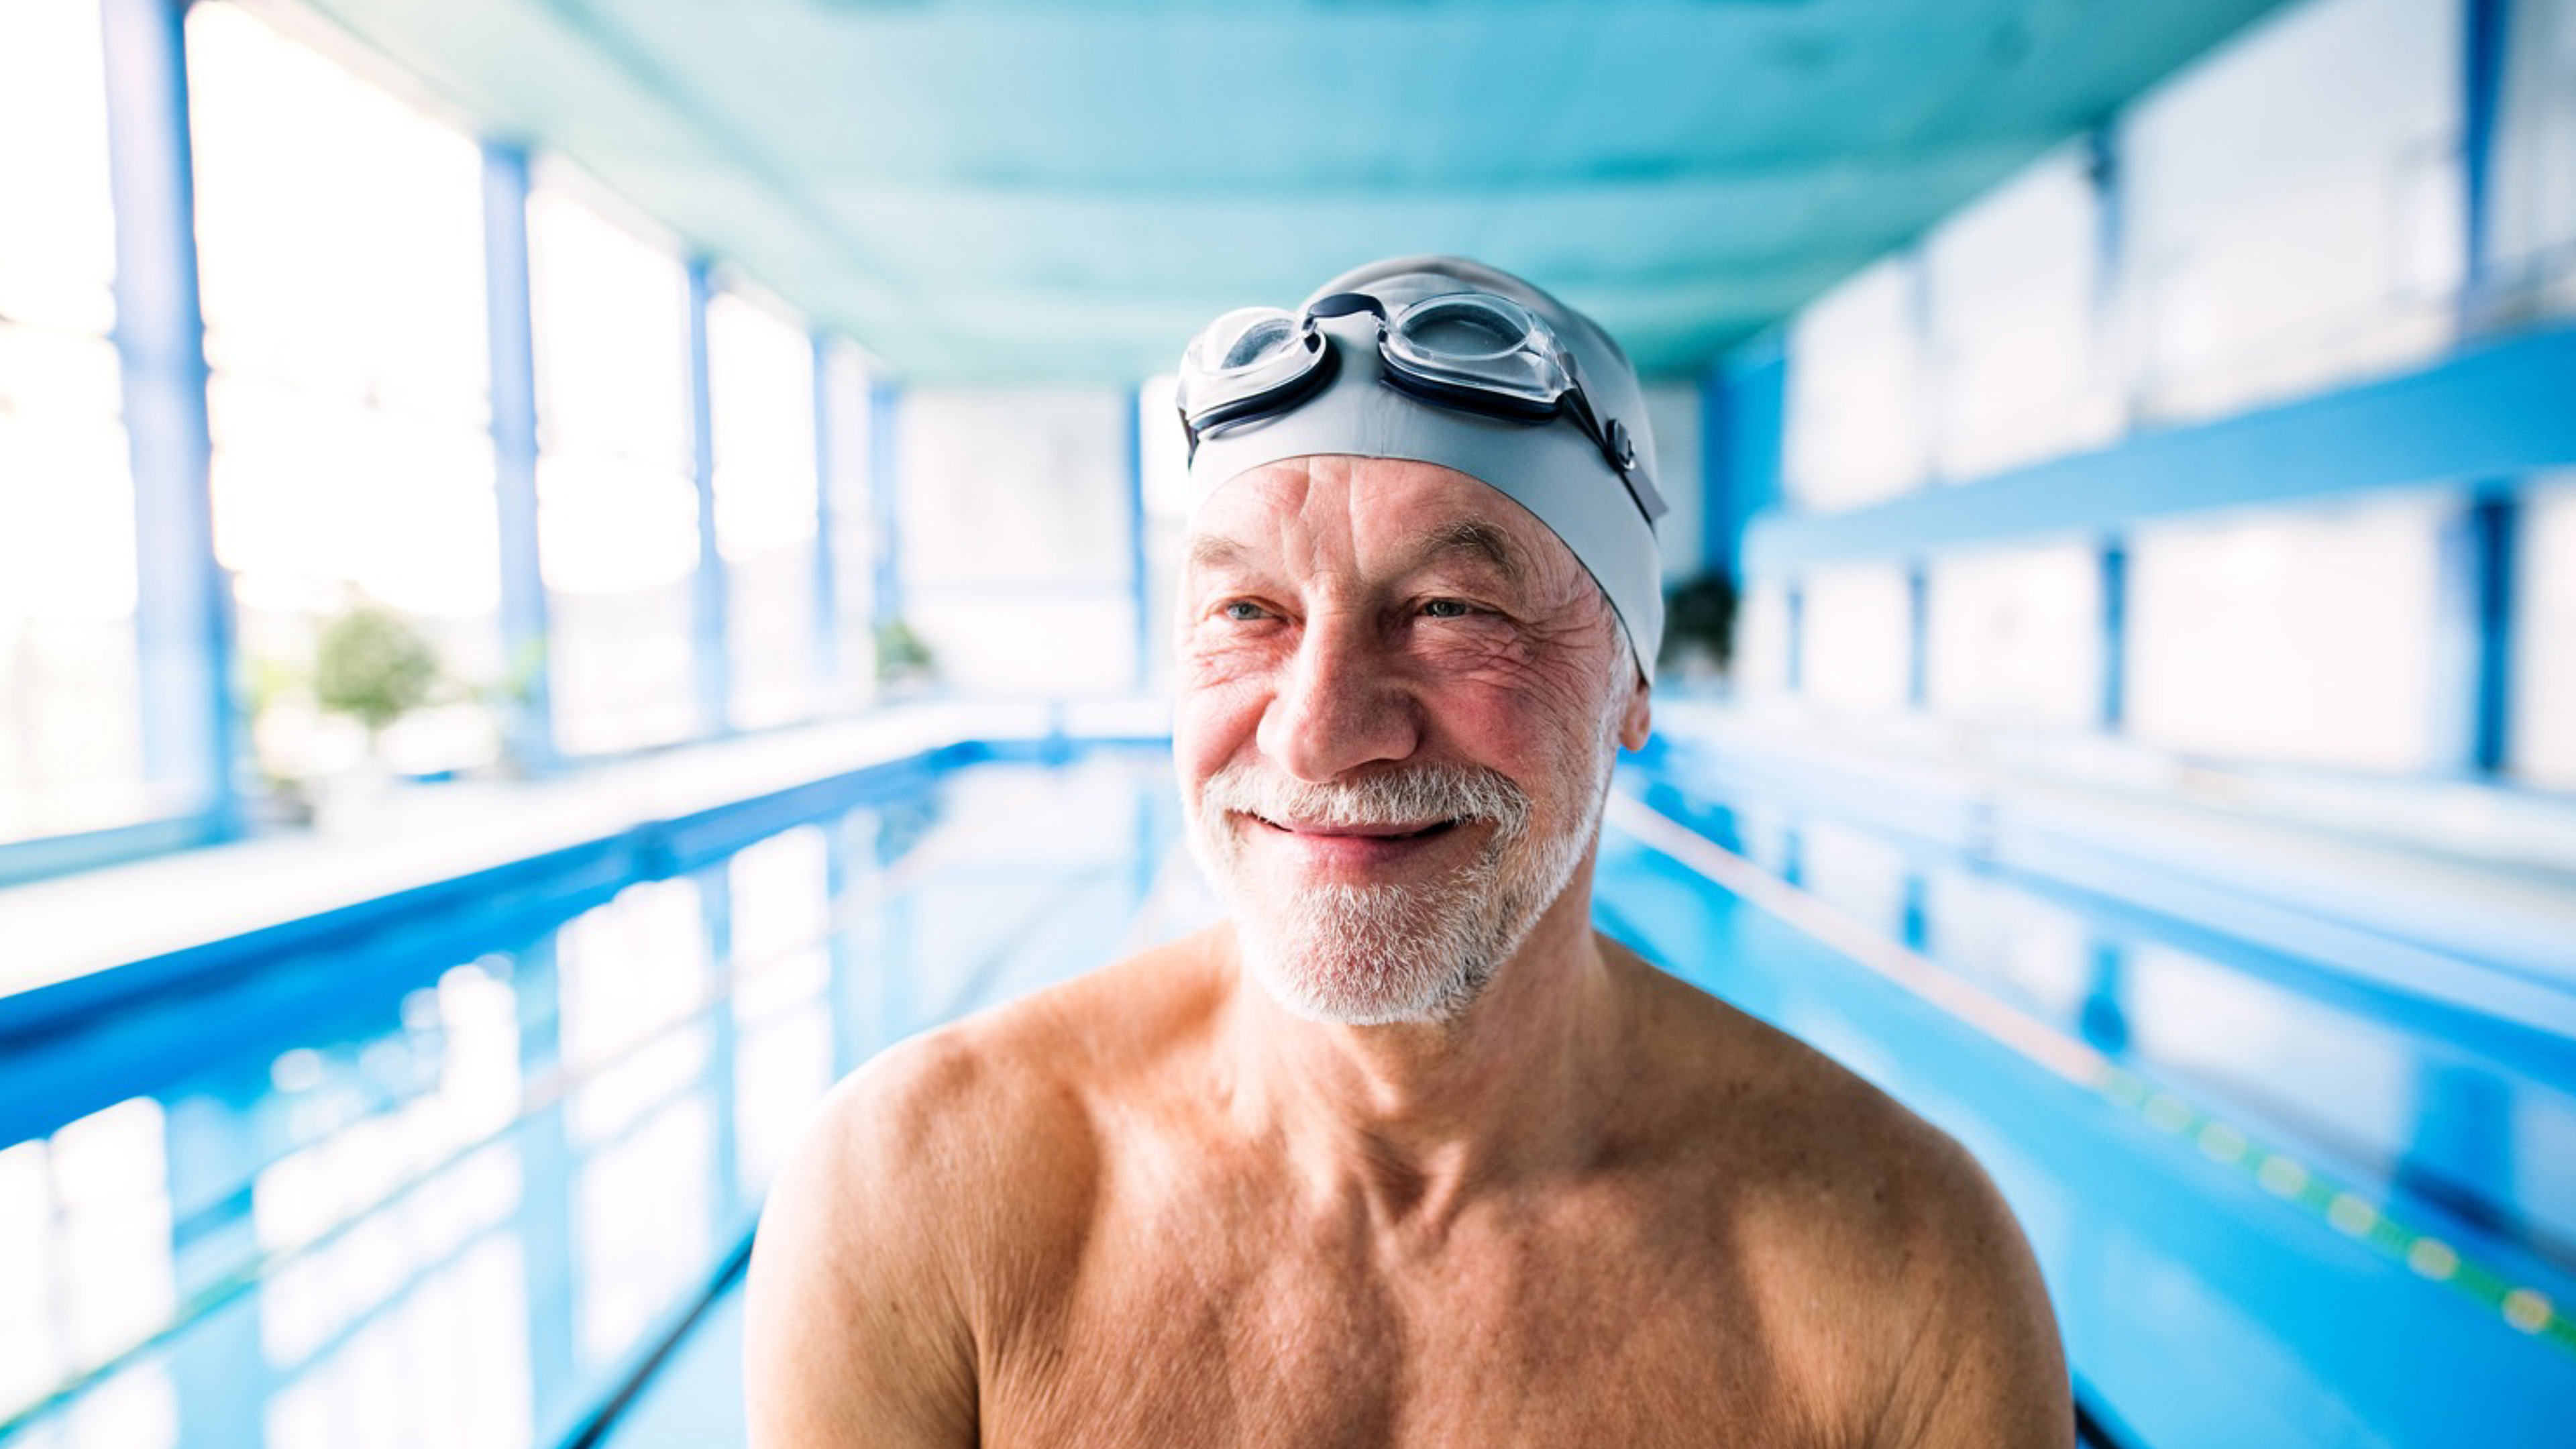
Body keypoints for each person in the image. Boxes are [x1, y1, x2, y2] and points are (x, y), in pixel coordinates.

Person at [743, 256, 2071, 1447]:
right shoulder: (919, 1194)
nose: (1318, 734)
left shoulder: (1904, 1270)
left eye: (1449, 609)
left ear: (1633, 684)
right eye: (1249, 609)